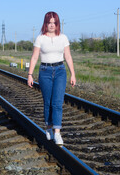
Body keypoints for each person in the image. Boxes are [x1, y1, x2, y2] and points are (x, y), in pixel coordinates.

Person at [27, 11, 76, 146]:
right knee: (48, 102)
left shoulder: (63, 38)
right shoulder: (40, 38)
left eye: (54, 22)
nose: (52, 25)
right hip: (45, 71)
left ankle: (57, 133)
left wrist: (73, 74)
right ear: (45, 23)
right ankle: (48, 127)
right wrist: (30, 75)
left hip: (60, 71)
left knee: (57, 102)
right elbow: (35, 57)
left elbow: (68, 57)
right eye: (49, 22)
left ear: (58, 24)